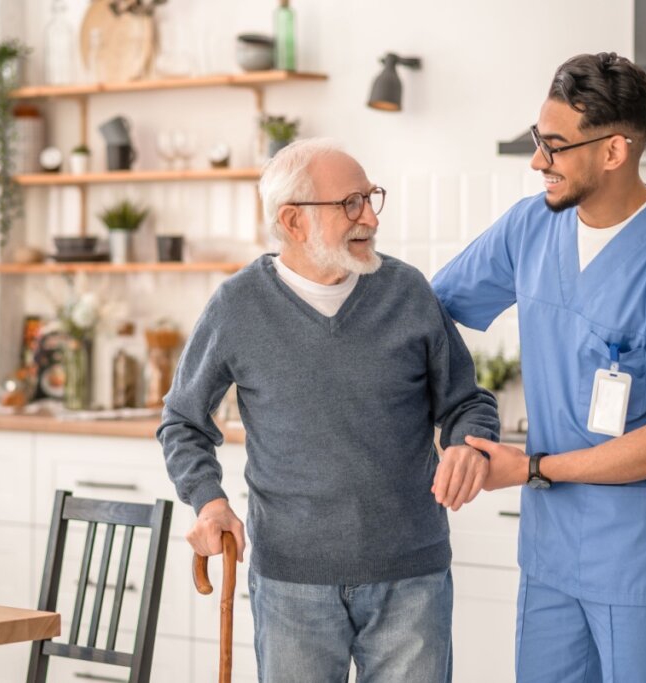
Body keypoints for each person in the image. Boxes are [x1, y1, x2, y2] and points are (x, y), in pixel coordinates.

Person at [432, 52, 646, 682]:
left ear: (614, 152)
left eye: (556, 146)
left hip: (639, 560)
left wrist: (532, 467)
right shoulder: (530, 229)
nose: (538, 160)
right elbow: (428, 312)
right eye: (538, 140)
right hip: (550, 558)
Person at [158, 138, 500, 683]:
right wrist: (208, 500)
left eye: (370, 198)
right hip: (291, 581)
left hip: (411, 576)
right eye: (350, 203)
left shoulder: (407, 291)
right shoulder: (237, 305)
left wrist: (467, 442)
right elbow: (182, 422)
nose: (369, 217)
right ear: (293, 221)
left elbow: (467, 401)